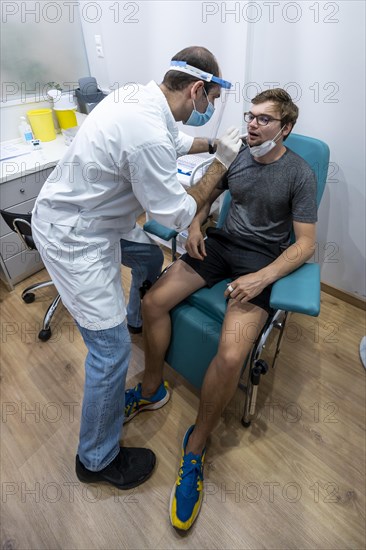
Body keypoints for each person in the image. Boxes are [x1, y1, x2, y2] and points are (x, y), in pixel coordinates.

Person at [31, 46, 242, 491]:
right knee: (110, 354)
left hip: (90, 216)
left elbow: (175, 139)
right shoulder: (145, 130)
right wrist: (220, 165)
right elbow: (176, 213)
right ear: (198, 89)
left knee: (146, 257)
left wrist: (212, 144)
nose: (210, 112)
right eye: (211, 103)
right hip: (76, 237)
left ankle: (133, 315)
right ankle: (97, 459)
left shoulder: (138, 98)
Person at [124, 89, 318, 528]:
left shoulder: (299, 174)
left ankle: (196, 449)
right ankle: (153, 389)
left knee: (231, 354)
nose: (251, 125)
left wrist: (262, 277)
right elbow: (205, 198)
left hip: (262, 260)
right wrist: (195, 224)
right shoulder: (238, 158)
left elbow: (305, 243)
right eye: (250, 116)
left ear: (285, 128)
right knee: (153, 301)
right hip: (221, 245)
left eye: (264, 120)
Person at [120, 226, 164, 334]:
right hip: (108, 231)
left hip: (111, 227)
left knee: (152, 256)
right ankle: (135, 320)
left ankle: (135, 317)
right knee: (153, 257)